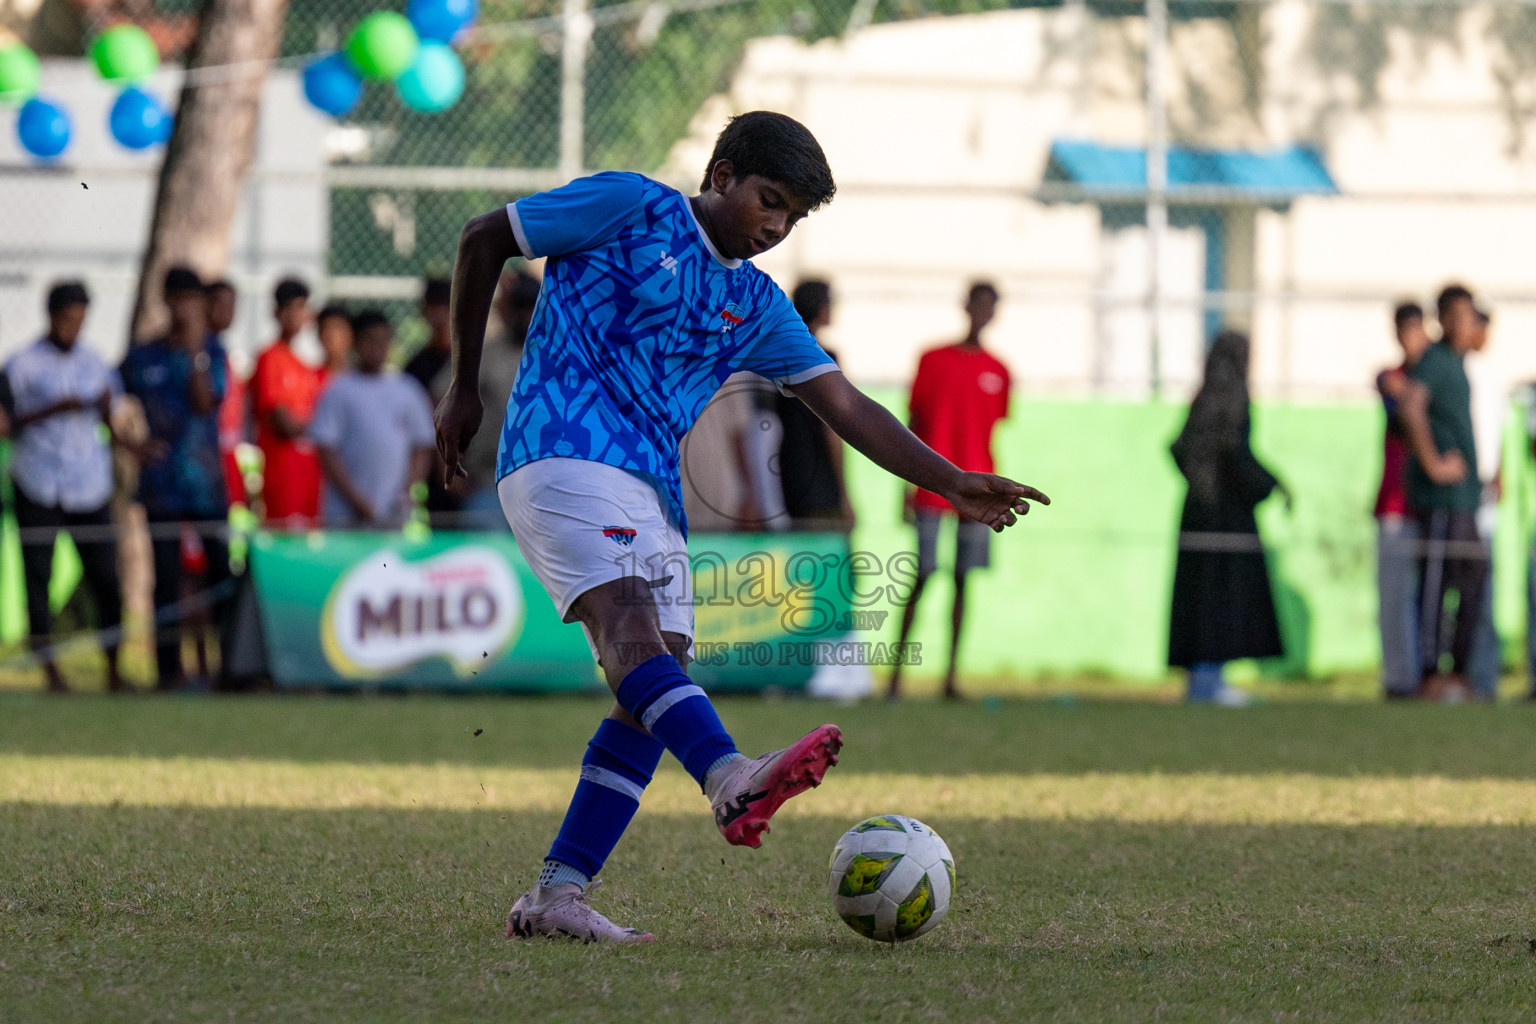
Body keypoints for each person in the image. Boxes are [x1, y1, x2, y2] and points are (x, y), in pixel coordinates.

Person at [433, 110, 1047, 943]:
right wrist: (462, 384)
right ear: (721, 174)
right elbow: (483, 238)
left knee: (654, 683)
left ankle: (557, 893)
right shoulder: (628, 205)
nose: (775, 225)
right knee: (627, 628)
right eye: (769, 199)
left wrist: (948, 479)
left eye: (791, 215)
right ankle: (730, 776)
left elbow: (844, 404)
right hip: (559, 452)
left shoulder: (754, 302)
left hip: (651, 491)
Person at [1, 282, 128, 693]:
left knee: (106, 578)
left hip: (88, 484)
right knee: (38, 577)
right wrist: (53, 409)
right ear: (51, 315)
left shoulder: (96, 363)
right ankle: (50, 671)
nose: (74, 326)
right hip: (38, 482)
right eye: (67, 318)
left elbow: (116, 419)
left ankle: (114, 667)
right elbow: (5, 425)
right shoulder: (21, 365)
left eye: (80, 319)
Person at [888, 281, 1012, 701]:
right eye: (978, 305)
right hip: (932, 487)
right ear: (966, 307)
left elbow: (993, 430)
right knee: (922, 575)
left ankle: (950, 677)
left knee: (963, 580)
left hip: (979, 491)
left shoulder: (1000, 371)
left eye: (990, 308)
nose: (983, 314)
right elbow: (912, 423)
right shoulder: (933, 360)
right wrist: (905, 486)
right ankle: (895, 677)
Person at [120, 266, 234, 692]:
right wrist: (132, 445)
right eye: (179, 298)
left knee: (221, 575)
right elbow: (108, 399)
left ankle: (229, 669)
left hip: (206, 485)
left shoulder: (213, 352)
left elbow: (206, 404)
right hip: (162, 487)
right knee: (166, 580)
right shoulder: (143, 356)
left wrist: (195, 354)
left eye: (193, 299)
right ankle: (169, 672)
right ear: (166, 300)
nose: (185, 307)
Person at [1167, 330, 1290, 704]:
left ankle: (1202, 679)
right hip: (1221, 515)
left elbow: (1182, 449)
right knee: (1218, 596)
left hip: (1200, 511)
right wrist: (1266, 484)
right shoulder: (1231, 395)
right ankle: (1208, 681)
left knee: (1202, 595)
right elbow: (1232, 453)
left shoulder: (1203, 397)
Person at [1399, 284, 1486, 702]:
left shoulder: (1458, 363)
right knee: (1434, 585)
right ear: (1448, 318)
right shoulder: (1434, 361)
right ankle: (1431, 675)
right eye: (1464, 315)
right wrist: (1433, 463)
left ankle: (1460, 673)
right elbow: (1410, 405)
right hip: (1441, 502)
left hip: (1466, 501)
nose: (1470, 323)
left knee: (1472, 579)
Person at [310, 310, 436, 529]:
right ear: (356, 343)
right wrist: (357, 502)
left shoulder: (407, 389)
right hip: (345, 515)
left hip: (393, 515)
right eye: (369, 340)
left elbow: (422, 446)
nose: (377, 347)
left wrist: (407, 492)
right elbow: (326, 450)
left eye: (383, 340)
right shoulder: (338, 389)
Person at [1375, 302, 1430, 698]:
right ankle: (1399, 680)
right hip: (1396, 503)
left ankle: (1432, 675)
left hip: (1431, 503)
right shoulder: (1391, 377)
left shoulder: (1438, 375)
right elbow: (1402, 408)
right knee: (1394, 597)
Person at [459, 270, 539, 527]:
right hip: (486, 482)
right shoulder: (486, 353)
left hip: (540, 484)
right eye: (520, 308)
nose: (526, 316)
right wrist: (451, 467)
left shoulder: (554, 356)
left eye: (531, 308)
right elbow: (445, 402)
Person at [775, 279, 854, 529]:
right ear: (821, 307)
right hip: (819, 482)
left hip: (784, 477)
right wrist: (844, 492)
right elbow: (832, 428)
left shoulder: (776, 351)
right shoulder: (823, 357)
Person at [249, 277, 321, 529]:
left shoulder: (305, 367)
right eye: (290, 308)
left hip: (308, 477)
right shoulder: (269, 359)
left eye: (301, 307)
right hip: (282, 477)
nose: (296, 315)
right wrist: (322, 427)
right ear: (276, 313)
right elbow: (283, 423)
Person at [404, 277, 461, 524]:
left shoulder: (473, 359)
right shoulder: (416, 365)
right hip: (434, 465)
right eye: (433, 307)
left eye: (445, 306)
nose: (439, 315)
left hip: (472, 463)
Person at [316, 304, 354, 382]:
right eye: (324, 328)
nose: (329, 335)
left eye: (336, 328)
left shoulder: (364, 379)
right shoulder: (310, 379)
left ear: (350, 334)